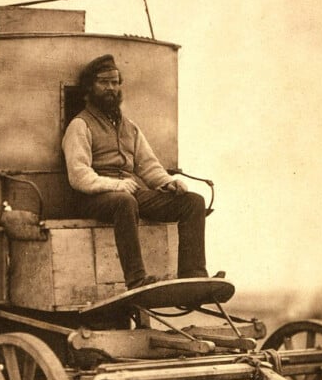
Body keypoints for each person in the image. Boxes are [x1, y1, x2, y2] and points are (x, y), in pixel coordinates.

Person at [62, 54, 216, 289]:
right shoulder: (80, 125)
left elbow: (148, 165)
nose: (111, 88)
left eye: (115, 82)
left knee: (193, 202)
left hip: (128, 193)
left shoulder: (129, 127)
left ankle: (193, 275)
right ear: (90, 88)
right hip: (92, 198)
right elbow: (78, 174)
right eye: (104, 82)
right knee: (125, 202)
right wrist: (114, 185)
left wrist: (167, 183)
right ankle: (136, 280)